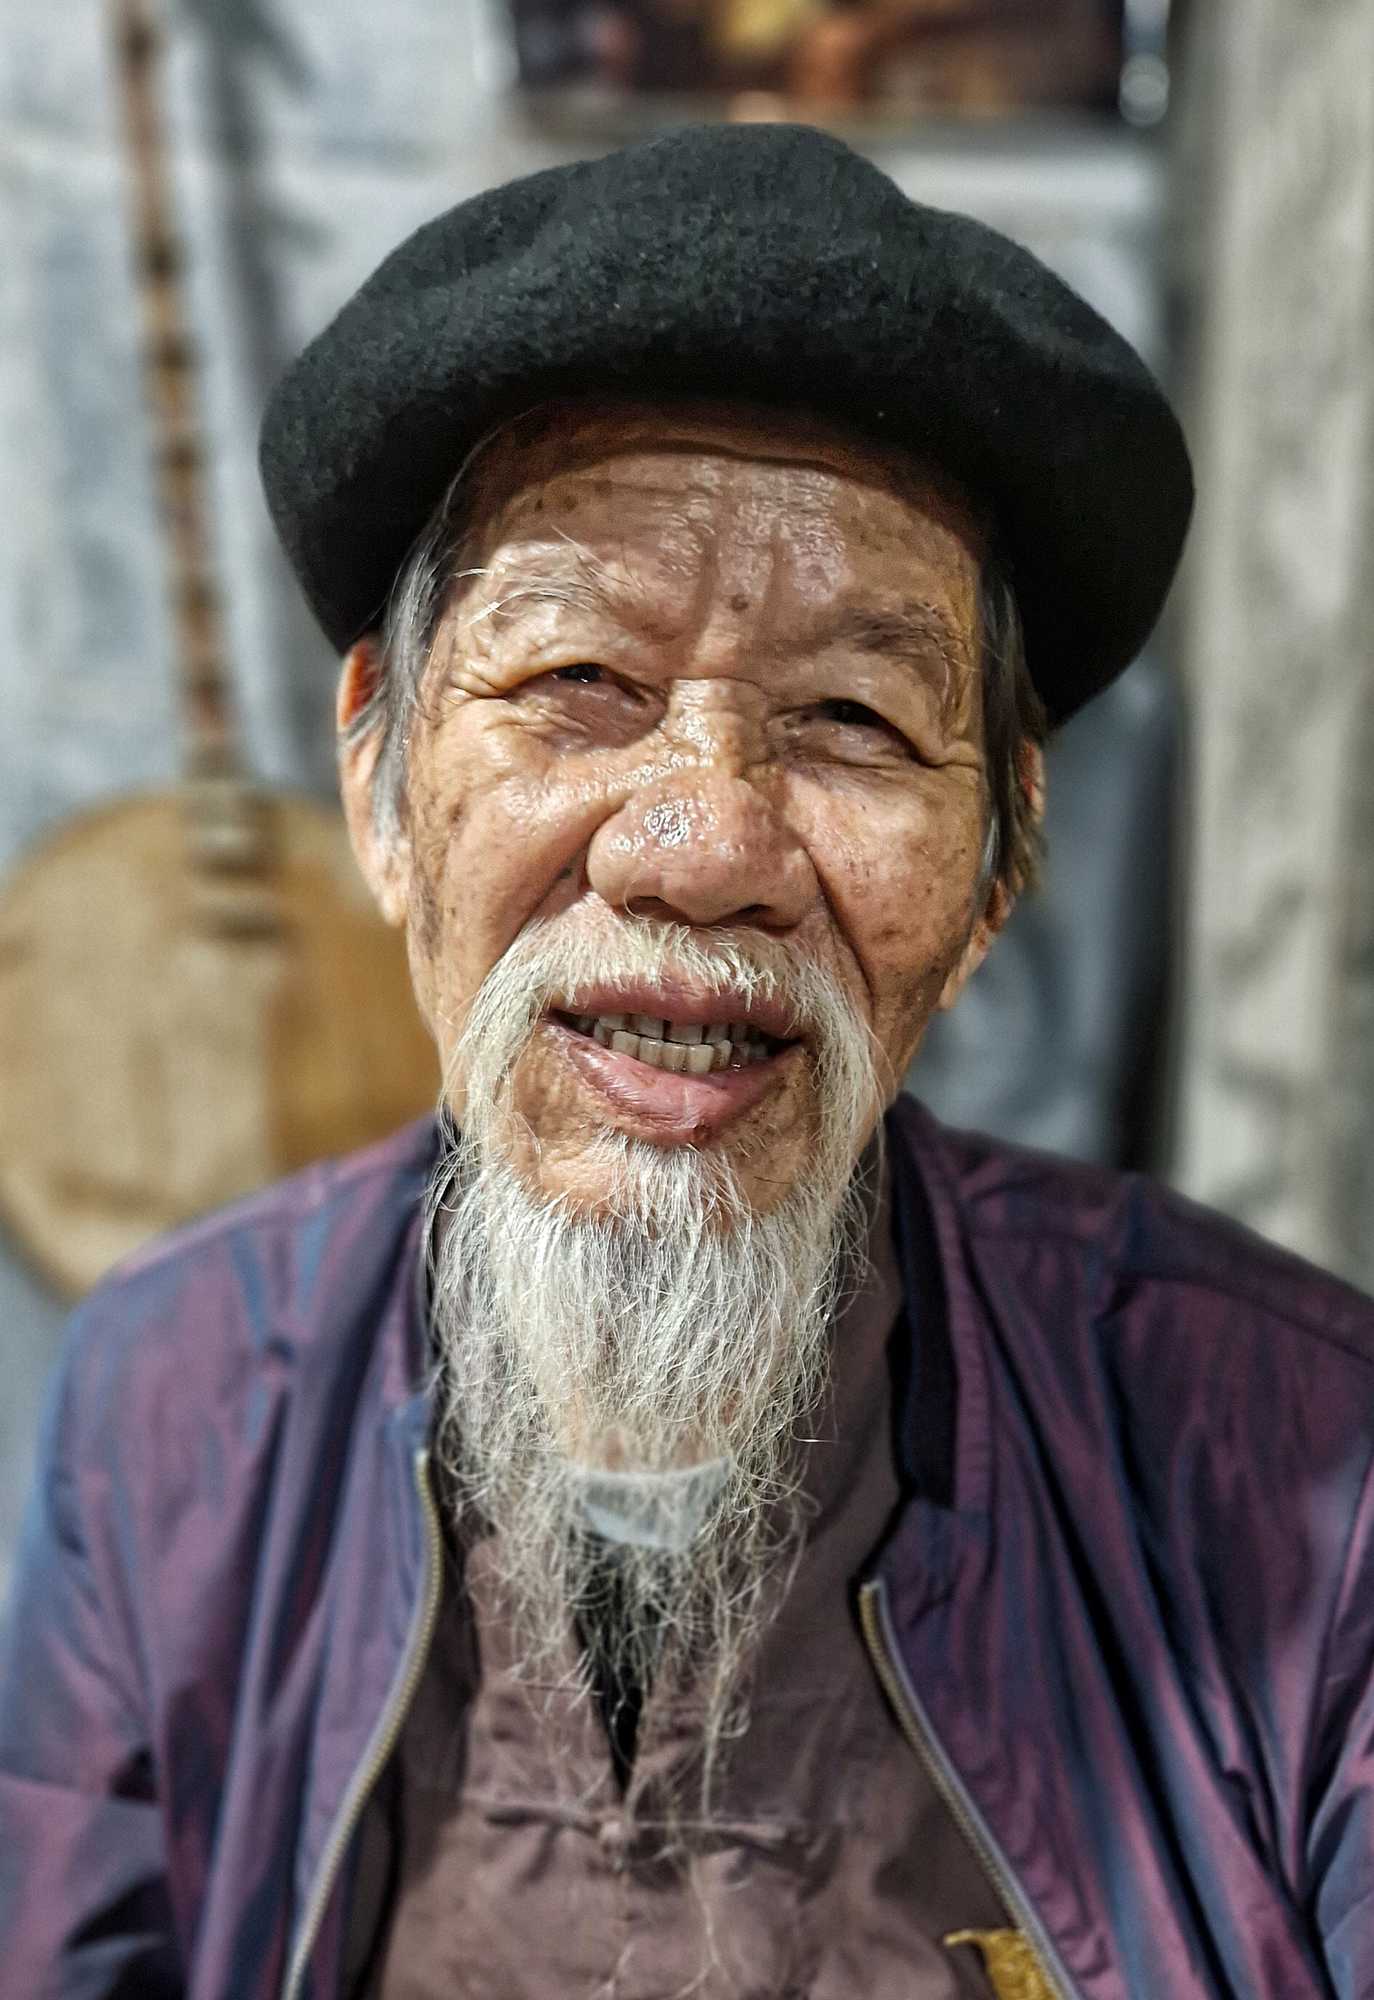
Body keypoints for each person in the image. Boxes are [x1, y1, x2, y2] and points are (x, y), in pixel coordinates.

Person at [1, 122, 1370, 2000]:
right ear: (379, 775)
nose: (703, 846)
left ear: (996, 865)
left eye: (852, 717)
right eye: (579, 683)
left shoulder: (1304, 1465)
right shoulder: (170, 1401)